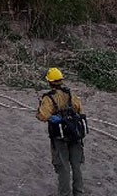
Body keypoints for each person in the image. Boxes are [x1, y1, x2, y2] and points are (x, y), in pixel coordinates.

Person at [36, 67, 86, 196]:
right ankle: (78, 193)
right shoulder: (70, 94)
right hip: (75, 135)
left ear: (49, 82)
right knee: (76, 166)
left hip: (60, 137)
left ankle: (65, 193)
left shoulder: (48, 98)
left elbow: (42, 115)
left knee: (63, 167)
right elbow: (79, 110)